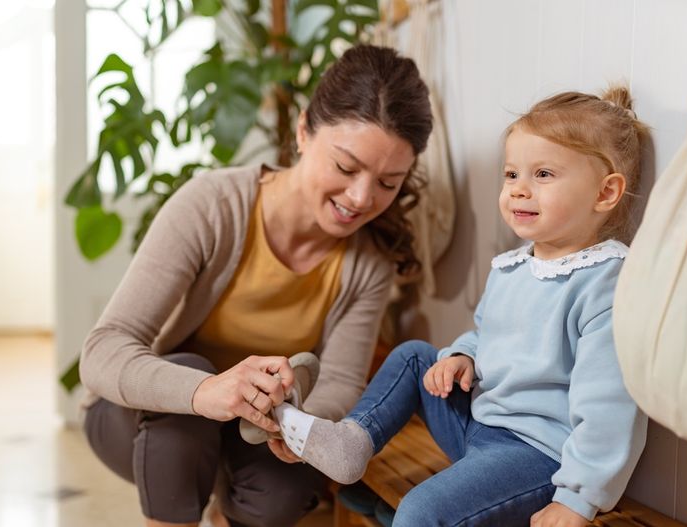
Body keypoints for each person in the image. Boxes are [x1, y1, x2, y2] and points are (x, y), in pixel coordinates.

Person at [78, 44, 433, 527]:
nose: (360, 198)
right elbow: (102, 349)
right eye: (346, 168)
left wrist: (299, 416)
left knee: (287, 486)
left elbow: (340, 382)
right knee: (186, 385)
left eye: (388, 183)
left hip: (250, 433)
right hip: (145, 421)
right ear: (304, 130)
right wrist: (207, 390)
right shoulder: (212, 206)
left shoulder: (368, 261)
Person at [270, 87, 651, 527]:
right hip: (480, 427)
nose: (519, 190)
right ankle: (352, 443)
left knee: (420, 510)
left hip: (537, 456)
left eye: (543, 174)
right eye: (512, 174)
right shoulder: (513, 267)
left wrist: (577, 499)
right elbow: (487, 336)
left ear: (605, 193)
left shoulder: (604, 282)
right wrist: (462, 356)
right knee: (416, 356)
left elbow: (609, 409)